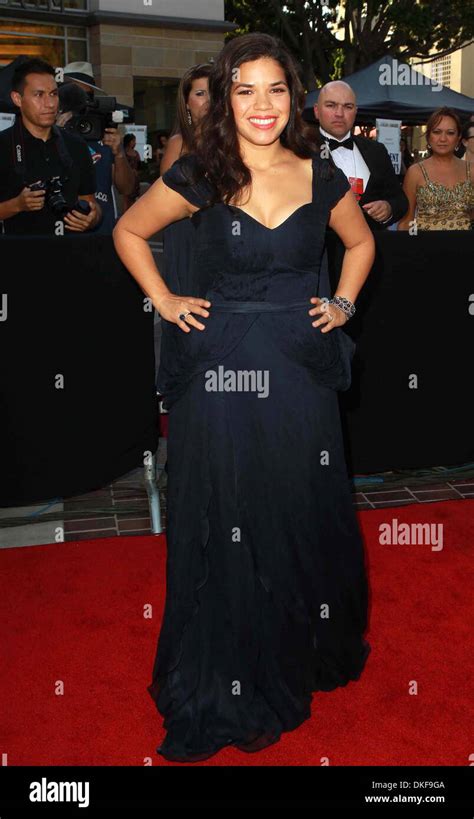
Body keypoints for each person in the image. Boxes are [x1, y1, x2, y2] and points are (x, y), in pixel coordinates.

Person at [113, 32, 374, 763]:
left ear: (296, 96)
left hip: (297, 367)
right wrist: (164, 300)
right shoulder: (201, 169)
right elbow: (131, 230)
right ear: (226, 97)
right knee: (226, 510)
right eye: (245, 89)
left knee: (294, 506)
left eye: (276, 89)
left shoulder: (319, 174)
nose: (262, 105)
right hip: (220, 372)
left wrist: (343, 305)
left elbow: (360, 245)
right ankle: (226, 669)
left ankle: (295, 643)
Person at [0, 57, 101, 235]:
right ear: (17, 98)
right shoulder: (3, 145)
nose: (50, 104)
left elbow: (90, 203)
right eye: (39, 95)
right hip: (16, 258)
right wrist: (17, 205)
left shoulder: (75, 145)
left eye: (54, 94)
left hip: (71, 255)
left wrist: (92, 218)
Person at [313, 81, 408, 229]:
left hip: (371, 246)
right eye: (331, 105)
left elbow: (400, 200)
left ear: (355, 111)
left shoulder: (376, 151)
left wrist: (388, 208)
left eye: (348, 107)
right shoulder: (301, 150)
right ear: (317, 111)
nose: (339, 113)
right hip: (320, 249)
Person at [60, 61, 136, 234]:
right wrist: (57, 132)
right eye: (72, 97)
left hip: (102, 232)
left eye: (85, 97)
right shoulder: (51, 132)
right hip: (61, 231)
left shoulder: (104, 132)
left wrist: (119, 154)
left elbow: (127, 189)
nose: (79, 104)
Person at [398, 107, 473, 231]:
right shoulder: (415, 172)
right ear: (428, 136)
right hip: (425, 247)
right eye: (437, 132)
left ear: (458, 138)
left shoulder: (471, 170)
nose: (443, 139)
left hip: (466, 246)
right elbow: (407, 221)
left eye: (450, 133)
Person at [122, 133, 141, 211]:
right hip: (126, 177)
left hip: (135, 178)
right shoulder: (123, 153)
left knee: (134, 197)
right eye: (133, 141)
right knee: (126, 197)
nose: (135, 143)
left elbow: (140, 166)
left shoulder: (136, 153)